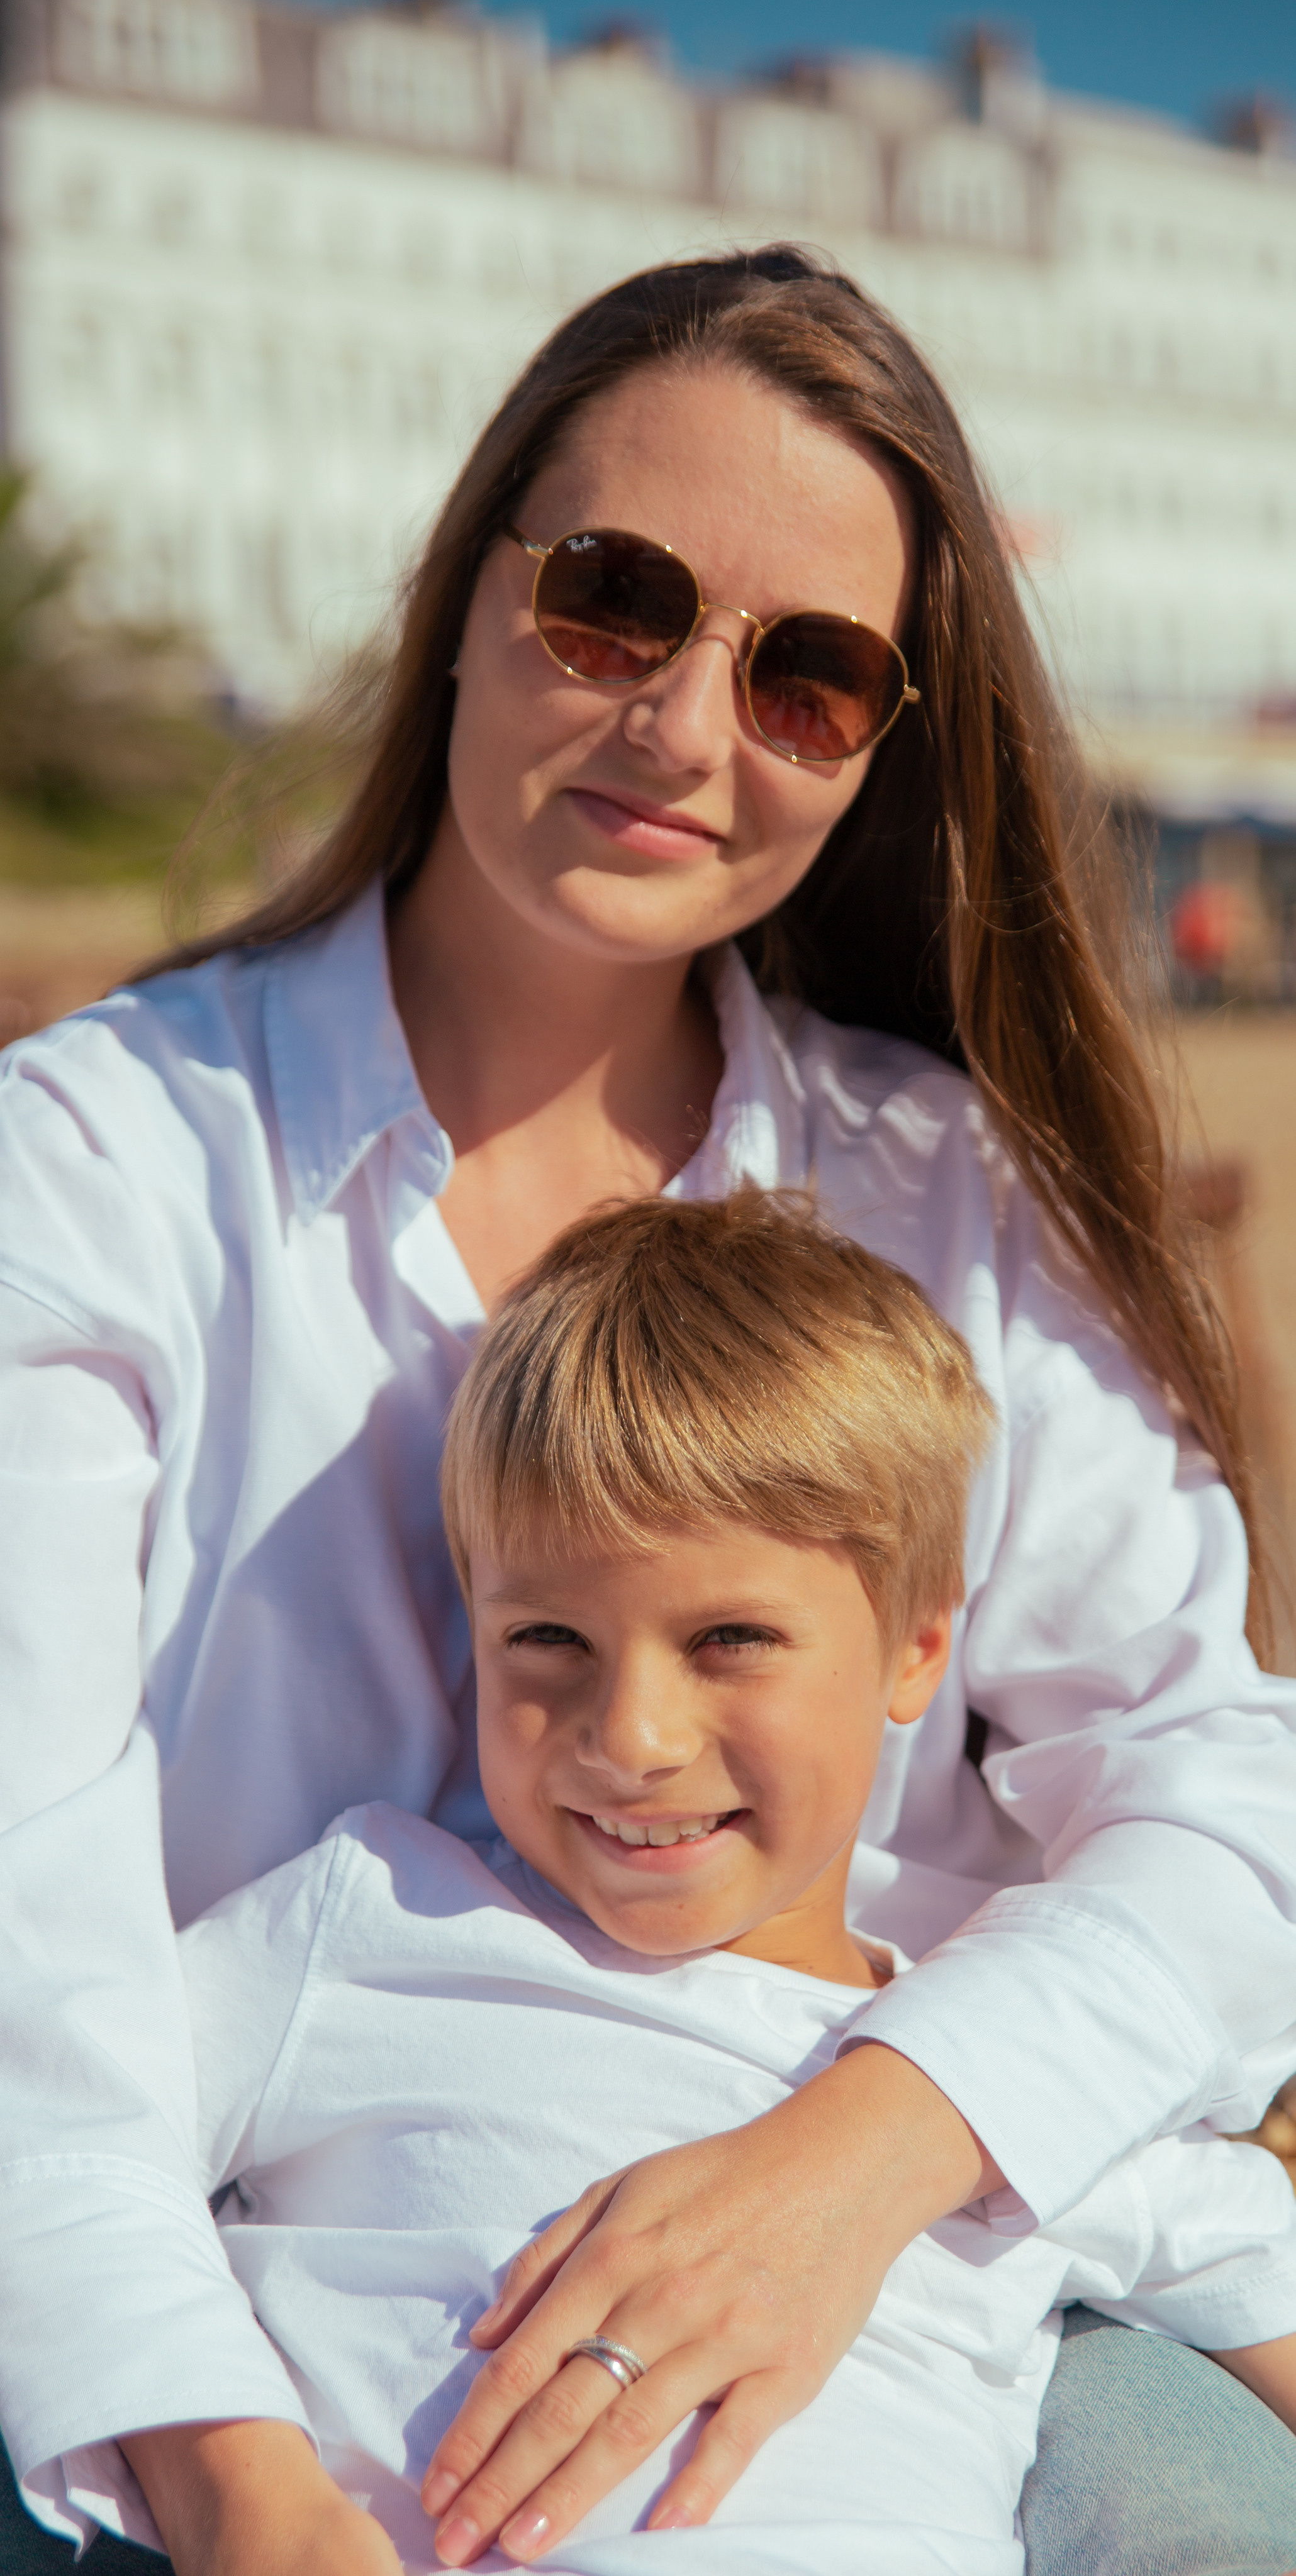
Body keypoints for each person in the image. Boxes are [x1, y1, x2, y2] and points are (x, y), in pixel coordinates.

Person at [1, 245, 1295, 2576]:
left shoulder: (951, 1188)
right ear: (468, 591)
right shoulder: (93, 1166)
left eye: (810, 673)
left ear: (884, 742)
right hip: (245, 2328)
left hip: (902, 2277)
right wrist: (225, 2480)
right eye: (617, 598)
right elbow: (31, 1943)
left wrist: (856, 2154)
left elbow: (1217, 1801)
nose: (690, 725)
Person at [30, 1194, 1296, 2576]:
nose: (630, 1736)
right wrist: (237, 2481)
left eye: (732, 1637)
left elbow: (1248, 2274)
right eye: (548, 1637)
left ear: (917, 1644)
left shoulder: (1014, 2096)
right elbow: (70, 2139)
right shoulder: (362, 1924)